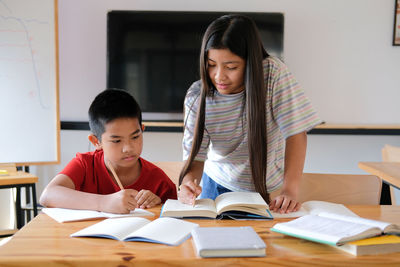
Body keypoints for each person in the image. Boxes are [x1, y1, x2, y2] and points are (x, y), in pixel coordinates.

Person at [178, 14, 322, 213]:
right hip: (216, 183)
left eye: (231, 67)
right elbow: (196, 158)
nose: (219, 76)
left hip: (268, 185)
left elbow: (296, 134)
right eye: (211, 65)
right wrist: (188, 183)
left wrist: (290, 190)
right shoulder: (197, 96)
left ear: (251, 62)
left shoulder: (272, 74)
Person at [40, 89, 177, 214]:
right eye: (117, 141)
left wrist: (158, 203)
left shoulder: (159, 181)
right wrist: (104, 202)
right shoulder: (85, 165)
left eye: (135, 137)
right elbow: (48, 195)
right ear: (96, 142)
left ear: (142, 129)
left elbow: (174, 219)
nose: (128, 148)